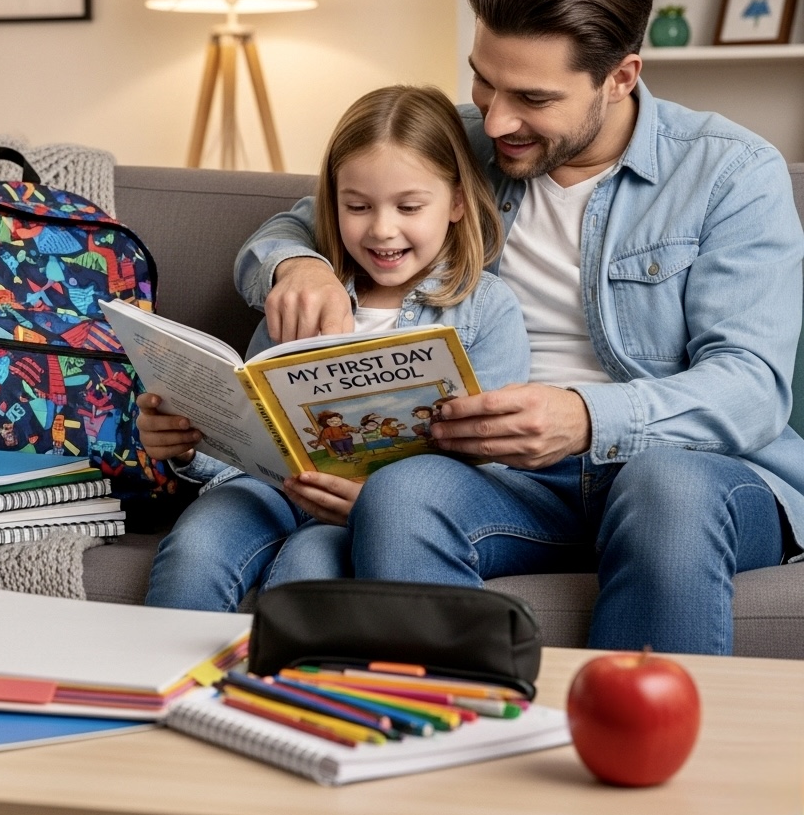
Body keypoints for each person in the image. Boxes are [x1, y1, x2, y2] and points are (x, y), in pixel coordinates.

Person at [233, 0, 804, 655]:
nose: (496, 119)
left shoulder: (729, 173)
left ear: (621, 77)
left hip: (696, 476)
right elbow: (286, 227)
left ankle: (646, 755)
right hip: (513, 482)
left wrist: (588, 418)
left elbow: (753, 387)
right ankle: (444, 738)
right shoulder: (464, 143)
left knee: (664, 487)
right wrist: (296, 264)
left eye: (531, 96)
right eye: (482, 79)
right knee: (405, 493)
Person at [137, 85, 531, 611]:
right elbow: (251, 423)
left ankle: (281, 694)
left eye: (409, 206)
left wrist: (381, 506)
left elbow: (491, 462)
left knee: (309, 566)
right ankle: (164, 690)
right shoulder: (305, 294)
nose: (382, 229)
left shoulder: (487, 308)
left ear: (457, 201)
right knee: (195, 548)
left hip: (378, 510)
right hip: (268, 488)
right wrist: (188, 443)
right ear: (332, 202)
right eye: (358, 206)